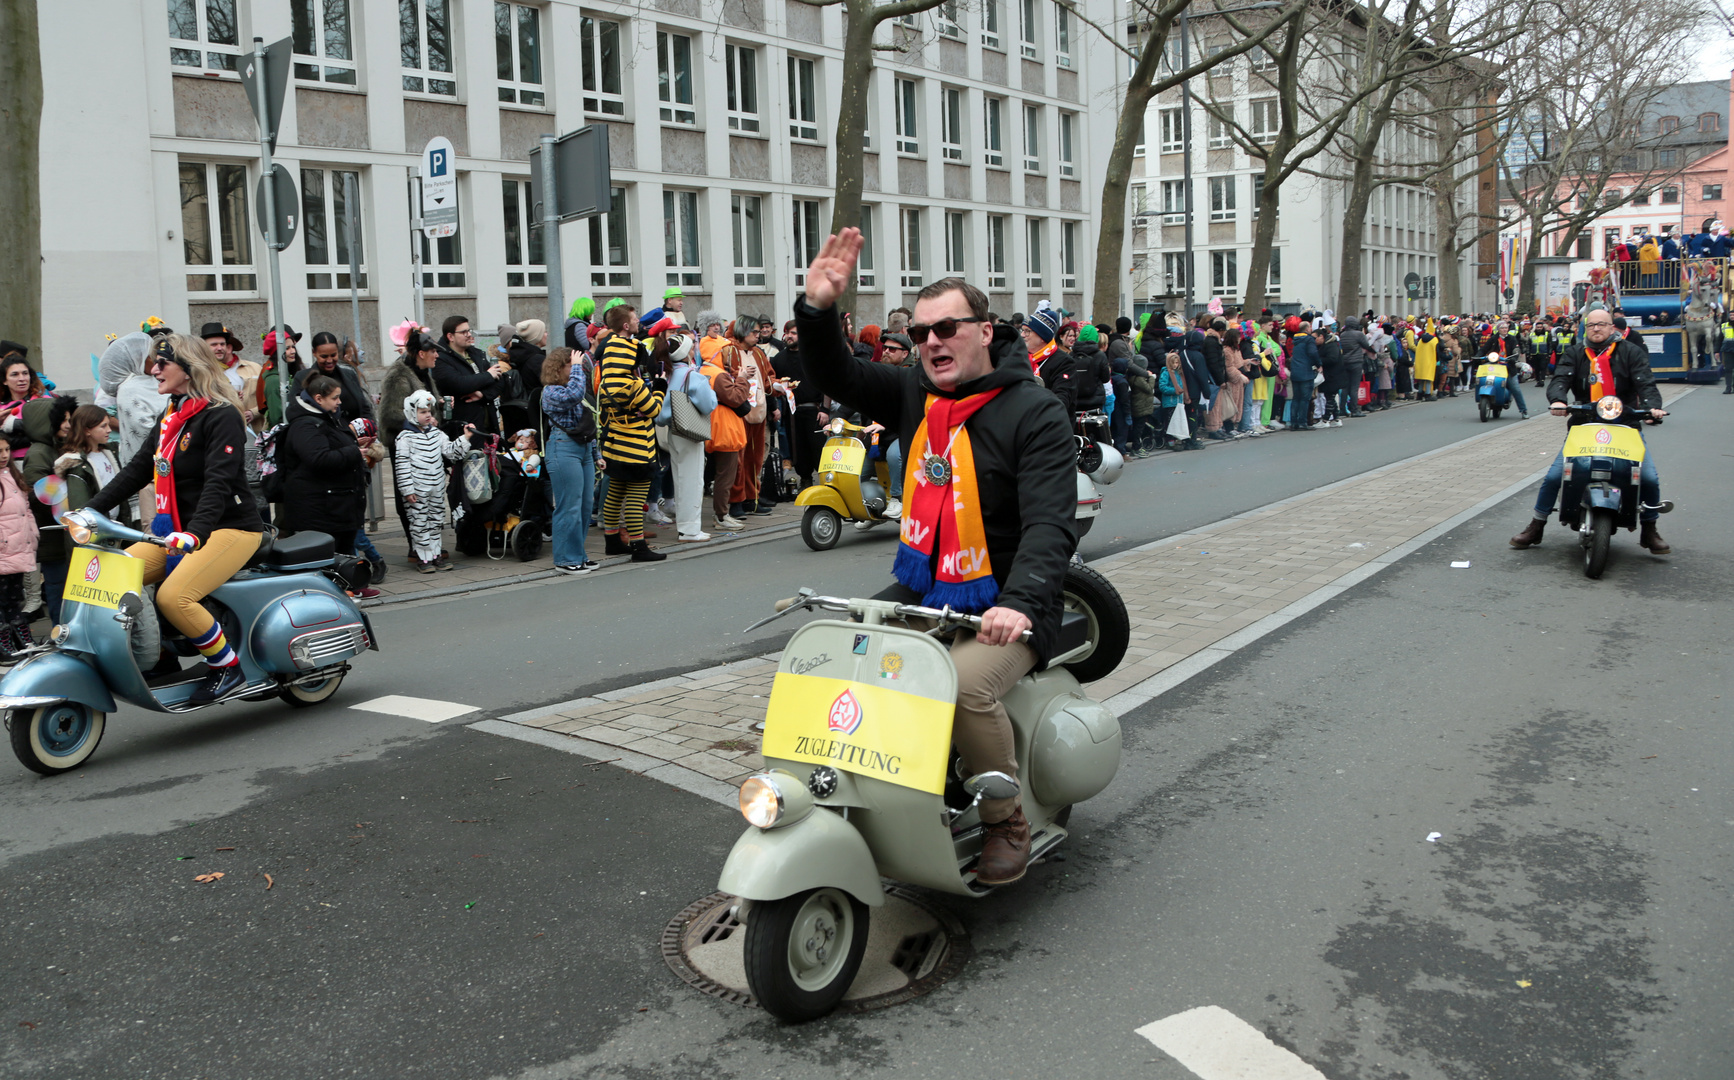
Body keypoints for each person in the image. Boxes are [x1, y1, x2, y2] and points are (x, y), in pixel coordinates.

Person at [797, 232, 1078, 886]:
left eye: (946, 328)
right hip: (929, 589)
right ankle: (879, 794)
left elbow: (1050, 523)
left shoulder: (1034, 412)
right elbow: (833, 374)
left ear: (984, 331)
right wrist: (815, 311)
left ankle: (1005, 819)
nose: (931, 342)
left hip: (1013, 599)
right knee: (840, 657)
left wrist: (1017, 601)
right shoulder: (915, 397)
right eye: (921, 333)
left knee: (965, 686)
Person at [76, 335, 265, 705]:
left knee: (174, 597)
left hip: (229, 527)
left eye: (163, 363)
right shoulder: (173, 415)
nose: (154, 369)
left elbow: (219, 481)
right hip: (180, 528)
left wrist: (195, 533)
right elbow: (138, 469)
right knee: (111, 573)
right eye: (154, 362)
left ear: (189, 369)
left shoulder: (220, 413)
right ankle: (160, 655)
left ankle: (228, 667)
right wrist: (92, 509)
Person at [1509, 308, 1670, 553]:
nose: (1596, 329)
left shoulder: (1631, 352)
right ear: (1586, 327)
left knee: (1647, 477)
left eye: (1602, 324)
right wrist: (1559, 400)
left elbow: (1645, 382)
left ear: (1612, 327)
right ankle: (1537, 524)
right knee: (1554, 476)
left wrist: (1652, 409)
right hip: (1584, 424)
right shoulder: (1575, 353)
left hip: (1625, 425)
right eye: (1592, 324)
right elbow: (1560, 379)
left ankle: (1649, 529)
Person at [596, 304, 668, 562]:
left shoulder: (606, 380)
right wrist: (659, 386)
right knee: (636, 498)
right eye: (635, 318)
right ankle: (639, 547)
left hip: (614, 443)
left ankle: (613, 541)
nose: (638, 321)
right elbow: (654, 410)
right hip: (637, 447)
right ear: (626, 325)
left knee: (615, 493)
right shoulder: (634, 383)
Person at [279, 374, 374, 567]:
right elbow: (318, 458)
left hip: (337, 506)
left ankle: (351, 587)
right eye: (335, 398)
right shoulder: (306, 424)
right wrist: (354, 452)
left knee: (343, 554)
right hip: (321, 509)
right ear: (318, 399)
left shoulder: (329, 418)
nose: (339, 402)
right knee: (326, 558)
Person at [539, 346, 604, 573]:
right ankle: (565, 559)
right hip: (563, 449)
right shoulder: (550, 392)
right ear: (559, 368)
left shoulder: (571, 386)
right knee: (569, 506)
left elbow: (586, 425)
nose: (577, 369)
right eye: (571, 365)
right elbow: (575, 394)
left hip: (583, 449)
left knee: (585, 506)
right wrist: (578, 368)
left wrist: (596, 455)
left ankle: (578, 554)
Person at [395, 390, 473, 573]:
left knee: (436, 520)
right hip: (417, 490)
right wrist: (407, 489)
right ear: (412, 412)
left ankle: (436, 554)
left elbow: (451, 452)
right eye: (422, 412)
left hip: (436, 488)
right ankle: (423, 557)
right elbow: (402, 466)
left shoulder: (436, 434)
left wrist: (465, 438)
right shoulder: (405, 438)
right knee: (419, 522)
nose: (428, 415)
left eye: (429, 411)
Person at [655, 329, 718, 543]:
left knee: (680, 478)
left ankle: (685, 527)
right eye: (691, 346)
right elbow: (708, 404)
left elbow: (662, 413)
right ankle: (690, 529)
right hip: (690, 431)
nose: (694, 349)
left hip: (673, 430)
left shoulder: (669, 374)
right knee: (692, 479)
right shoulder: (692, 375)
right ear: (686, 352)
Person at [702, 339, 751, 532]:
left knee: (716, 474)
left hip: (713, 427)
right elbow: (736, 398)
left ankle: (721, 514)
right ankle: (721, 516)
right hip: (725, 430)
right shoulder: (718, 375)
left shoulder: (704, 371)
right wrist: (743, 379)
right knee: (726, 476)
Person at [434, 316, 506, 436]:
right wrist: (488, 375)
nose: (468, 335)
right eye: (463, 332)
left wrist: (483, 395)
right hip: (462, 429)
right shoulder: (440, 358)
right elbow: (459, 384)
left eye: (469, 331)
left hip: (487, 425)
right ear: (450, 336)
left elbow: (500, 381)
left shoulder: (476, 353)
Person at [0, 434, 37, 660]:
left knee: (14, 596)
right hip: (4, 547)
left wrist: (32, 533)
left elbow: (26, 508)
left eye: (6, 450)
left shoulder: (13, 475)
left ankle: (18, 635)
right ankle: (4, 640)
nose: (4, 455)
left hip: (17, 547)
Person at [292, 331, 374, 428]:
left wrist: (368, 429)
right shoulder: (302, 377)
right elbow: (296, 413)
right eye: (324, 356)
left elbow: (364, 408)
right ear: (314, 353)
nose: (329, 360)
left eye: (333, 355)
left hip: (356, 438)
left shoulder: (349, 374)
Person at [1023, 306, 1076, 413]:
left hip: (1052, 424)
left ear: (1042, 336)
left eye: (1027, 331)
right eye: (1022, 330)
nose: (1022, 335)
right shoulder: (1022, 357)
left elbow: (1062, 398)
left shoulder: (1064, 362)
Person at [258, 328, 305, 427]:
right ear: (277, 353)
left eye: (293, 347)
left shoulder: (287, 374)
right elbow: (278, 418)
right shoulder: (274, 380)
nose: (293, 351)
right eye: (287, 348)